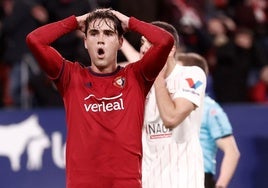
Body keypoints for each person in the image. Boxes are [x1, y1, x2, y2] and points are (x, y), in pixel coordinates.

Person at [26, 8, 174, 188]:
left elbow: (165, 41)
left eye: (108, 33)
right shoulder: (70, 77)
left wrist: (129, 22)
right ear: (86, 42)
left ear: (120, 42)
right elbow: (34, 40)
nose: (101, 39)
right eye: (94, 33)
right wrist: (75, 21)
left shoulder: (137, 76)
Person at [120, 22, 207, 188]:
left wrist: (157, 77)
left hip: (184, 182)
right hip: (147, 182)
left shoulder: (191, 76)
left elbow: (171, 118)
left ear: (171, 48)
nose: (144, 49)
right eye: (142, 43)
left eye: (150, 42)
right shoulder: (137, 83)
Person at [200, 95, 240, 188]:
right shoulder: (164, 106)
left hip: (201, 178)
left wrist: (220, 186)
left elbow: (232, 152)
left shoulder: (209, 108)